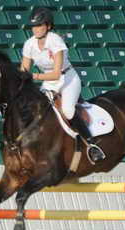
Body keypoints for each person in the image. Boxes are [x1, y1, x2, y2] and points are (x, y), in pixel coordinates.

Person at [20, 7, 105, 163]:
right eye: (34, 26)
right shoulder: (29, 44)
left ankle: (92, 145)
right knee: (38, 111)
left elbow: (56, 74)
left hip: (68, 79)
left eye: (40, 25)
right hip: (49, 82)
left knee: (67, 110)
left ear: (49, 26)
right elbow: (23, 70)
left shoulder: (55, 41)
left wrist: (33, 76)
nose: (36, 29)